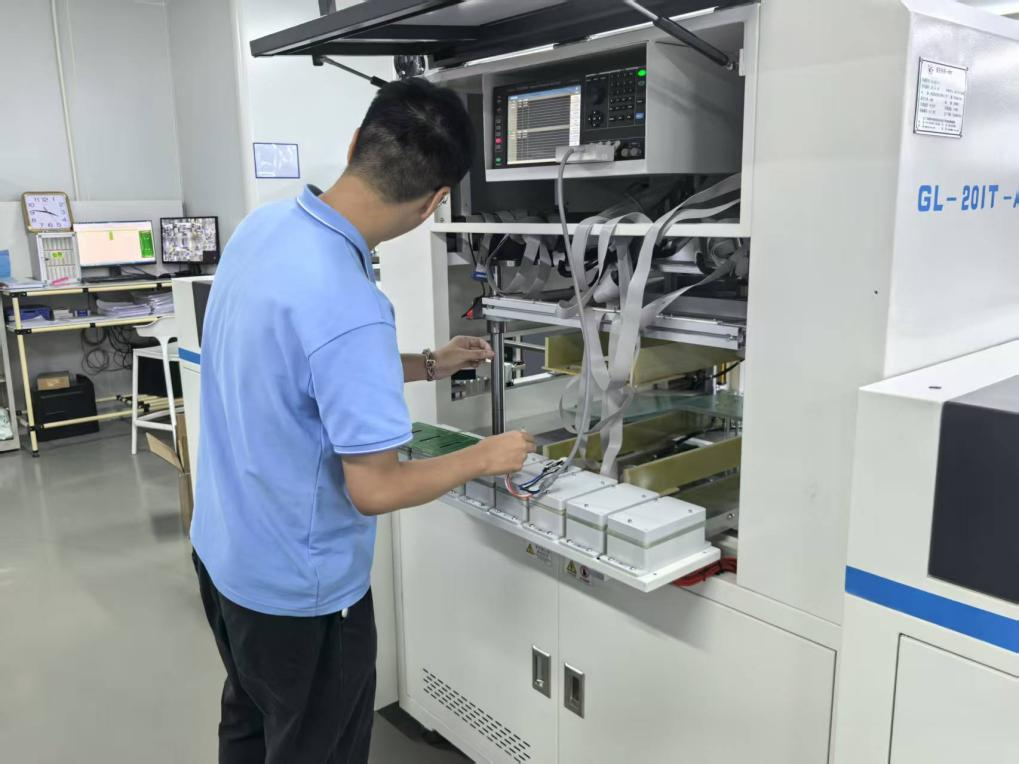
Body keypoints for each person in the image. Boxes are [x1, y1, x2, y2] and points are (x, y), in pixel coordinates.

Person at [190, 77, 535, 764]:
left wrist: (428, 364)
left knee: (250, 725)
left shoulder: (263, 228)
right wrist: (484, 456)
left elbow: (295, 361)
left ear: (355, 143)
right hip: (301, 595)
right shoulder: (352, 304)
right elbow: (374, 488)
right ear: (436, 202)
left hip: (224, 556)